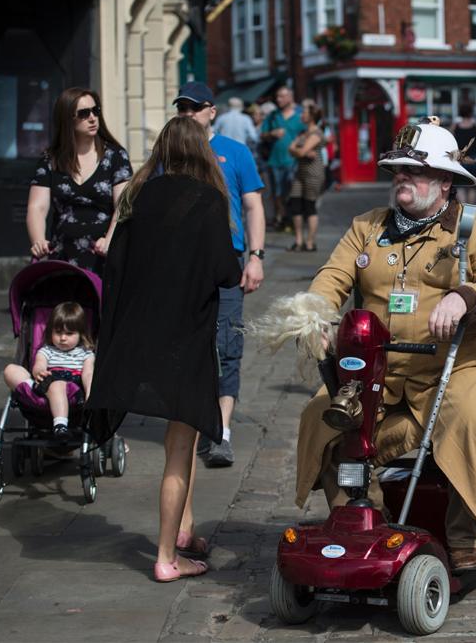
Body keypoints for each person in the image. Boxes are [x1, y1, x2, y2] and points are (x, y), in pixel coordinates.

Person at [291, 117, 476, 571]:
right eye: (398, 170)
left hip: (460, 365)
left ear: (446, 182)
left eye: (416, 171)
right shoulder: (367, 227)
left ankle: (464, 532)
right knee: (325, 417)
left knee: (467, 417)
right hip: (380, 372)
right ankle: (363, 518)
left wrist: (465, 296)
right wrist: (315, 311)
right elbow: (333, 276)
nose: (403, 178)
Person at [87, 116, 243, 583]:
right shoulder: (210, 200)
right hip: (187, 337)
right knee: (181, 447)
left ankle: (184, 532)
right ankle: (166, 557)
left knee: (178, 445)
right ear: (199, 150)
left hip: (139, 333)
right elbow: (226, 273)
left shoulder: (139, 196)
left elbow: (116, 267)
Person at [174, 81, 266, 467]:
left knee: (227, 346)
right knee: (186, 346)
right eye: (182, 108)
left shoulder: (235, 152)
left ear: (211, 111)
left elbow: (253, 206)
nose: (187, 115)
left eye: (194, 108)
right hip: (182, 265)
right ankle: (191, 421)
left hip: (227, 260)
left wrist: (256, 256)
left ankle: (222, 433)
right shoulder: (171, 155)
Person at [27, 88, 132, 275]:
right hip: (63, 256)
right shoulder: (50, 160)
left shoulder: (116, 156)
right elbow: (37, 207)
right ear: (67, 119)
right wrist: (38, 241)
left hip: (103, 255)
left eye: (96, 110)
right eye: (84, 114)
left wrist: (109, 239)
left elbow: (122, 205)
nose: (92, 118)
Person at [4, 302, 95, 438]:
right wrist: (39, 372)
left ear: (80, 334)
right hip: (45, 382)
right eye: (58, 332)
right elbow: (39, 364)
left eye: (69, 333)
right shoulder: (46, 350)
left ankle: (60, 425)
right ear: (51, 331)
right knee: (10, 369)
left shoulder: (86, 354)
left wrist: (90, 394)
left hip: (72, 389)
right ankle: (33, 390)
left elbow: (88, 374)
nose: (62, 338)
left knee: (57, 385)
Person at [263, 86, 305, 231]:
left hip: (294, 161)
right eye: (277, 97)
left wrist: (302, 140)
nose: (278, 99)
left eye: (281, 96)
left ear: (290, 97)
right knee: (278, 193)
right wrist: (272, 133)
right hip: (275, 160)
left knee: (292, 192)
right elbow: (262, 134)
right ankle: (283, 220)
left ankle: (293, 220)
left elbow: (311, 132)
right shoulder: (273, 115)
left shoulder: (301, 114)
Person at [286, 103, 326, 252]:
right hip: (300, 172)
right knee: (295, 204)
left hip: (313, 173)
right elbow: (291, 149)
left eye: (304, 113)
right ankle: (298, 241)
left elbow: (298, 151)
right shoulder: (303, 133)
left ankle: (310, 242)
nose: (301, 115)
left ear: (312, 116)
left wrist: (300, 151)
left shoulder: (317, 133)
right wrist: (301, 151)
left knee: (309, 207)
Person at [452, 103, 476, 205]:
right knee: (473, 187)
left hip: (461, 160)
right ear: (471, 112)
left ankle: (464, 210)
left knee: (461, 187)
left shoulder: (455, 126)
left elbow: (451, 142)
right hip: (475, 159)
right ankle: (471, 210)